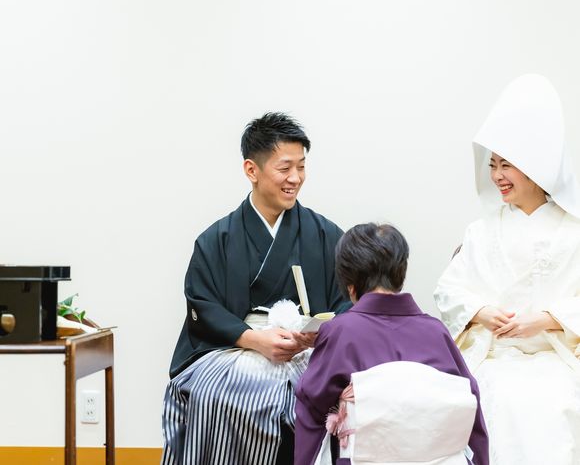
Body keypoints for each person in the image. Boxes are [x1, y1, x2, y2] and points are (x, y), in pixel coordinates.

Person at [162, 112, 347, 465]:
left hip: (307, 351)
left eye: (301, 167)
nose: (295, 178)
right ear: (252, 170)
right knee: (212, 397)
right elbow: (202, 305)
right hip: (236, 349)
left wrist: (318, 335)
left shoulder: (326, 235)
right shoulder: (217, 239)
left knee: (333, 394)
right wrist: (253, 339)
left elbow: (347, 303)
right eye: (285, 168)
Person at [434, 74, 580, 464]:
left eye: (507, 165)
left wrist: (548, 319)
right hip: (493, 358)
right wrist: (480, 312)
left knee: (552, 406)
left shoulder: (574, 232)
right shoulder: (481, 231)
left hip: (555, 359)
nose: (497, 176)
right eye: (493, 165)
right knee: (492, 399)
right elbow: (448, 290)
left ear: (535, 168)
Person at [295, 223, 489, 465]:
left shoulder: (340, 331)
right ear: (400, 274)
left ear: (350, 284)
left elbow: (312, 406)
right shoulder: (436, 331)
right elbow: (469, 403)